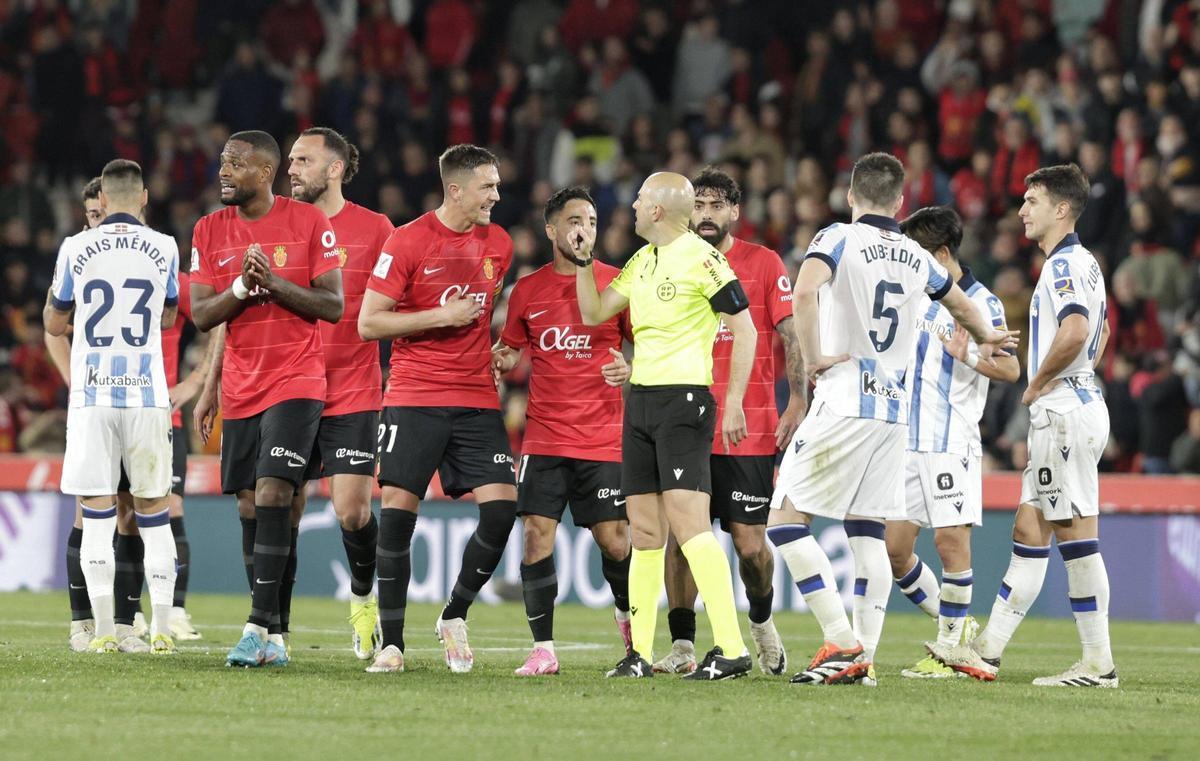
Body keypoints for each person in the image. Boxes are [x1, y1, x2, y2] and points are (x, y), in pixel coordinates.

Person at [767, 153, 1016, 686]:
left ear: (851, 195)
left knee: (784, 523)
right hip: (894, 414)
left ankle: (840, 639)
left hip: (845, 399)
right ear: (900, 201)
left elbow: (806, 290)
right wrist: (989, 336)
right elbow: (959, 304)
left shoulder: (836, 237)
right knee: (865, 532)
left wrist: (811, 357)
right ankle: (866, 661)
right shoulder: (915, 255)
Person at [930, 164, 1118, 688]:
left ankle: (1098, 664)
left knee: (1076, 535)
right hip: (1075, 404)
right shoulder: (1084, 263)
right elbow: (1097, 334)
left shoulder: (1062, 267)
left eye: (1032, 201)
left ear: (1061, 209)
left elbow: (1078, 328)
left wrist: (1037, 384)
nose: (1021, 210)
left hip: (1062, 409)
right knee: (1029, 530)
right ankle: (986, 652)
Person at [576, 171, 757, 681]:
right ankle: (639, 655)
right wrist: (585, 260)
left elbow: (745, 330)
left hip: (684, 403)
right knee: (647, 532)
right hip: (642, 404)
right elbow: (593, 312)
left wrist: (736, 399)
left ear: (657, 209)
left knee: (690, 525)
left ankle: (731, 648)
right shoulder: (642, 260)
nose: (631, 205)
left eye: (638, 198)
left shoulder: (704, 258)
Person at [357, 144, 516, 674]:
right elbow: (369, 323)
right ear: (456, 188)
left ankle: (454, 613)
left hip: (475, 398)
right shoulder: (407, 241)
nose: (496, 194)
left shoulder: (501, 243)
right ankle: (393, 645)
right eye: (487, 186)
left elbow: (487, 312)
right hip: (414, 396)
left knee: (501, 510)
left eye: (496, 185)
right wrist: (438, 317)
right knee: (398, 515)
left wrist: (498, 349)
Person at [190, 130, 343, 668]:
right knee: (252, 504)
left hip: (296, 382)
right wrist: (240, 288)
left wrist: (273, 283)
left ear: (265, 171)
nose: (223, 172)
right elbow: (202, 314)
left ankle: (255, 626)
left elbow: (334, 305)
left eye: (235, 164)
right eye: (222, 163)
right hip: (241, 386)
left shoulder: (309, 224)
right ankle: (276, 633)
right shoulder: (209, 229)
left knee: (277, 493)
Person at [655, 167, 805, 677]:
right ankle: (681, 644)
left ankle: (761, 624)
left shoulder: (762, 263)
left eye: (717, 205)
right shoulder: (670, 261)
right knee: (681, 539)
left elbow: (789, 333)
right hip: (685, 424)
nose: (706, 215)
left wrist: (798, 401)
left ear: (735, 212)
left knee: (749, 546)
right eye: (698, 205)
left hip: (750, 426)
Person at [49, 178, 208, 651]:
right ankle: (156, 629)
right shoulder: (164, 248)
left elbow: (54, 324)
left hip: (96, 398)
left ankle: (104, 630)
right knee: (153, 514)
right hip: (146, 398)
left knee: (98, 515)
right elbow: (166, 316)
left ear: (103, 202)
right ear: (141, 197)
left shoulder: (76, 248)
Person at [491, 186, 634, 676]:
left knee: (615, 541)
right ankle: (544, 648)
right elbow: (512, 349)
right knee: (536, 535)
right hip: (545, 437)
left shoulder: (616, 284)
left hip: (602, 436)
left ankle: (625, 611)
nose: (584, 229)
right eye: (575, 220)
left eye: (592, 221)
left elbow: (645, 347)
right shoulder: (527, 291)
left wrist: (628, 367)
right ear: (552, 230)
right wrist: (503, 358)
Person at [883, 206, 1019, 678]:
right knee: (895, 550)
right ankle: (956, 624)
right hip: (906, 441)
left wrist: (971, 356)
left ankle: (948, 650)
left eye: (917, 255)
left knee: (949, 544)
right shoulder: (915, 299)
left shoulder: (983, 304)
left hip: (949, 440)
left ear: (941, 254)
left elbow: (1010, 369)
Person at [287, 126, 394, 659]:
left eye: (303, 159)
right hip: (288, 387)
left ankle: (362, 599)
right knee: (283, 507)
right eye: (290, 159)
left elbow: (397, 304)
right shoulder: (279, 224)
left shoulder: (375, 229)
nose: (291, 169)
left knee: (352, 511)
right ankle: (271, 626)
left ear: (334, 168)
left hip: (353, 388)